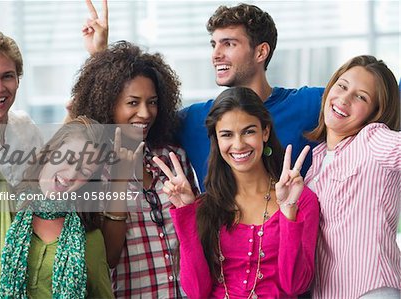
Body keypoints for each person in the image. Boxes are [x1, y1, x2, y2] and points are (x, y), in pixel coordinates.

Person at [0, 1, 119, 297]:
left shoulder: (25, 128)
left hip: (34, 272)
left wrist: (97, 57)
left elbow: (68, 146)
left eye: (7, 76)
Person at [154, 87, 319, 298]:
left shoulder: (301, 200)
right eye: (227, 135)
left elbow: (295, 285)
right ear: (216, 139)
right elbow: (196, 291)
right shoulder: (207, 205)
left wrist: (288, 210)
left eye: (249, 131)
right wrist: (186, 212)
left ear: (265, 132)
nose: (238, 144)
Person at [69, 41, 199, 298]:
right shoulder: (89, 168)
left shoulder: (173, 156)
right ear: (108, 104)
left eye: (152, 102)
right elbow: (106, 258)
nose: (145, 113)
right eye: (132, 103)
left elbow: (195, 237)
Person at [177, 3, 324, 191]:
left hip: (297, 216)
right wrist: (124, 208)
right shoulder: (193, 119)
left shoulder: (310, 104)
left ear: (261, 52)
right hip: (216, 220)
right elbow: (132, 131)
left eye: (228, 44)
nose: (216, 55)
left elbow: (368, 106)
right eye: (214, 45)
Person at [304, 55, 401, 298]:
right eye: (342, 86)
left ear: (375, 112)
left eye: (361, 97)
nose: (344, 99)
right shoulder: (315, 161)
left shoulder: (373, 139)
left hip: (371, 288)